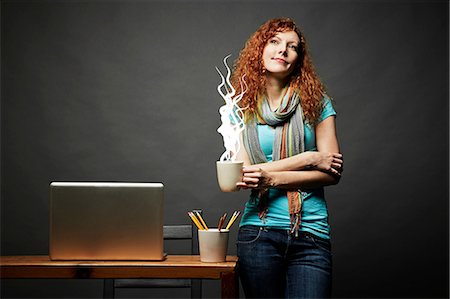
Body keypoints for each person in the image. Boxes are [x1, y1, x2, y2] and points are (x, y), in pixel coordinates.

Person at [230, 18, 343, 298]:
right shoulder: (240, 107)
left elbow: (331, 172)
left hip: (310, 233)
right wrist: (308, 157)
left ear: (297, 60)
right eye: (275, 42)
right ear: (260, 50)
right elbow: (243, 175)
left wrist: (271, 177)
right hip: (258, 232)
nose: (283, 50)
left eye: (292, 47)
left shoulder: (317, 102)